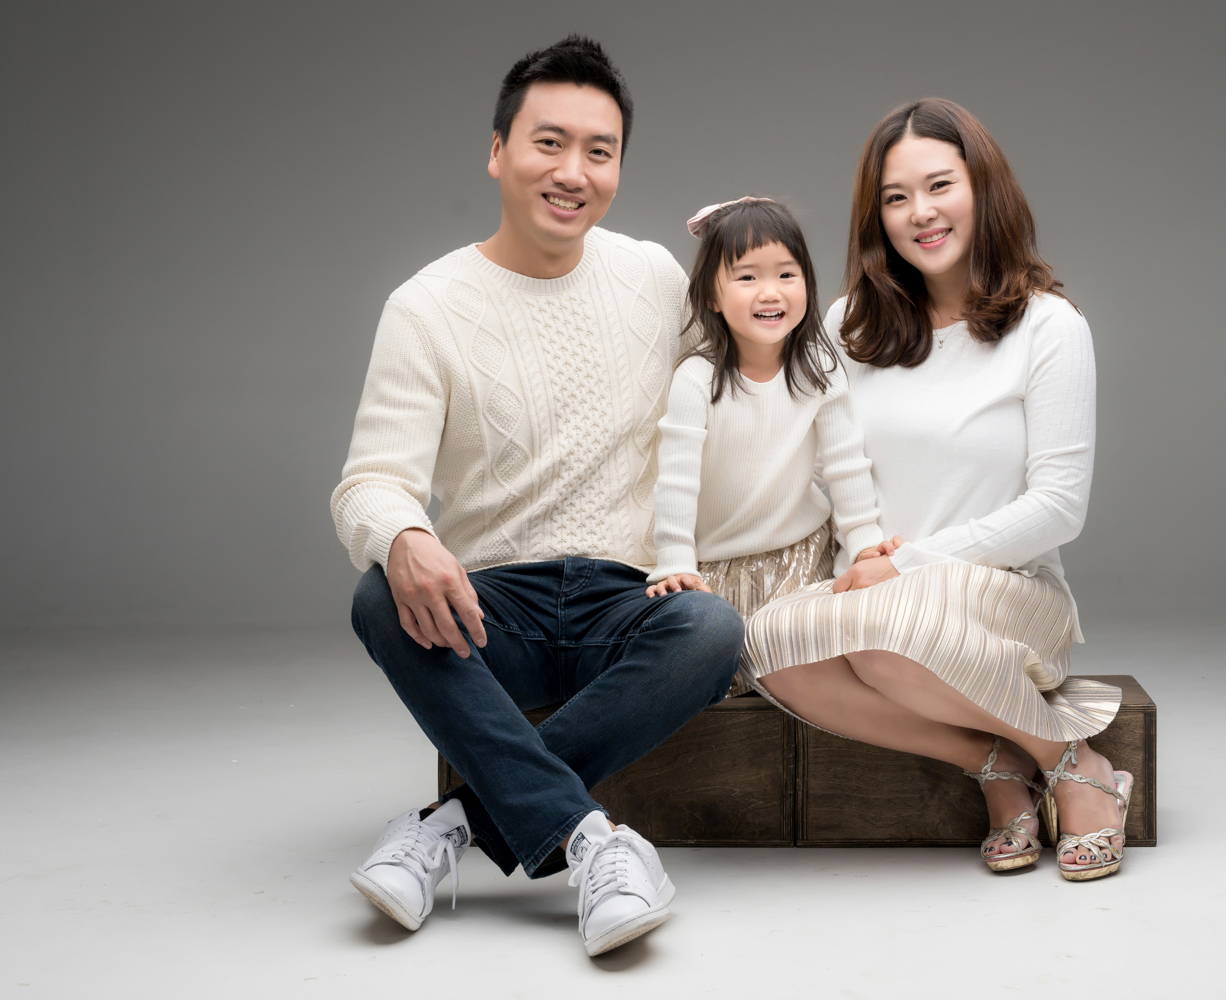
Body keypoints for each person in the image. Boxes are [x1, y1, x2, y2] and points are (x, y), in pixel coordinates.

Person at [330, 36, 742, 955]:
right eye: (548, 143)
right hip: (492, 611)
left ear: (620, 168)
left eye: (600, 152)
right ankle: (594, 843)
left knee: (712, 631)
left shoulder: (651, 279)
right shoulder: (428, 305)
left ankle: (447, 830)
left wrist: (745, 243)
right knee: (375, 594)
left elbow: (751, 380)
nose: (574, 172)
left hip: (625, 604)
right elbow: (369, 481)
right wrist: (401, 533)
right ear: (497, 151)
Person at [744, 98, 1132, 881]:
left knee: (882, 637)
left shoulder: (1048, 327)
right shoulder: (852, 323)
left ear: (984, 188)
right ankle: (993, 762)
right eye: (895, 197)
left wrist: (911, 561)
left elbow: (1059, 507)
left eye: (939, 185)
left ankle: (1077, 760)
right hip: (879, 588)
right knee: (767, 643)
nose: (919, 213)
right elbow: (819, 470)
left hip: (1010, 595)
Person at [645, 197, 891, 693]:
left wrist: (864, 538)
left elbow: (844, 463)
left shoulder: (820, 370)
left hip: (801, 557)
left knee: (823, 659)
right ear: (712, 296)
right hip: (719, 567)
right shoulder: (698, 378)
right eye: (747, 277)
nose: (769, 292)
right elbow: (676, 478)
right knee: (718, 675)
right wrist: (674, 559)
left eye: (786, 274)